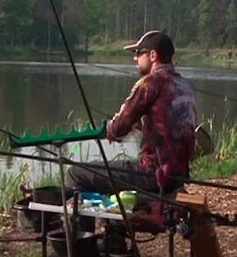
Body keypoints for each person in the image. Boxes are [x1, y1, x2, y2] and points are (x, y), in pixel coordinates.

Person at [65, 30, 197, 197]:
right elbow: (165, 126)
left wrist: (109, 131)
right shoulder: (184, 86)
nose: (135, 58)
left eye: (138, 53)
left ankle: (80, 223)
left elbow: (119, 127)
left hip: (152, 172)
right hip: (178, 175)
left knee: (76, 173)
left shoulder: (150, 83)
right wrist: (139, 125)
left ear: (153, 55)